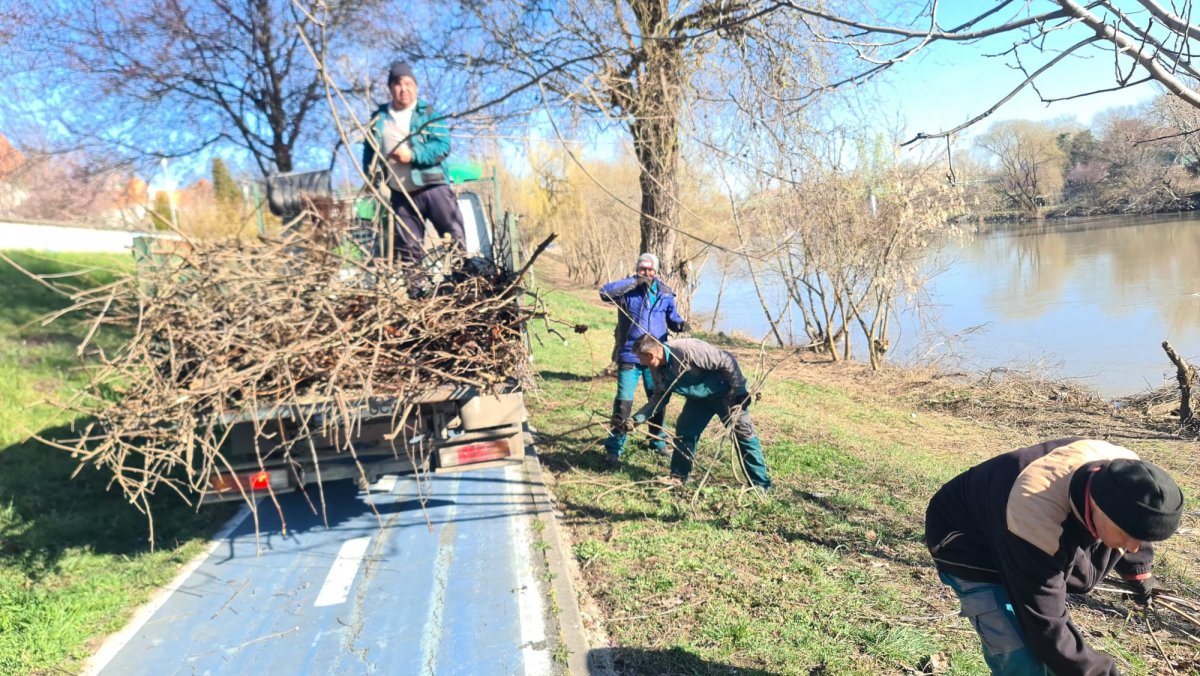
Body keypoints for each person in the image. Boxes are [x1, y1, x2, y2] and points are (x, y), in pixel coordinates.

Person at [925, 437, 1184, 675]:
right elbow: (1045, 626)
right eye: (1128, 536)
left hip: (1023, 528)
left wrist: (1139, 570)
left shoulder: (1130, 475)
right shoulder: (1033, 516)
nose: (1135, 546)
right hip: (970, 540)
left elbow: (1139, 521)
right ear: (1098, 506)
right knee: (1024, 658)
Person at [628, 334, 771, 492]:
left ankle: (760, 485)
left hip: (727, 395)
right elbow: (660, 396)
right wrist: (636, 419)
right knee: (684, 433)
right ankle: (678, 477)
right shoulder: (656, 369)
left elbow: (726, 360)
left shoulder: (688, 349)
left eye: (640, 358)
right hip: (698, 401)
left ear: (651, 355)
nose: (640, 363)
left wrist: (740, 390)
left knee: (744, 435)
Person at [362, 61, 465, 264]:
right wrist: (370, 177)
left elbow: (442, 146)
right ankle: (415, 294)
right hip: (400, 194)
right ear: (391, 87)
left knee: (455, 239)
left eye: (409, 83)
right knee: (408, 252)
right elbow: (369, 153)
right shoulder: (378, 119)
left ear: (416, 87)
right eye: (399, 84)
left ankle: (465, 283)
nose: (404, 89)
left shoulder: (429, 114)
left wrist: (412, 155)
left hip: (433, 186)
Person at [598, 253, 688, 468]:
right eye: (642, 270)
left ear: (656, 271)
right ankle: (614, 448)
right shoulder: (627, 292)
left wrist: (680, 324)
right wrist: (633, 281)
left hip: (655, 358)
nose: (647, 274)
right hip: (630, 354)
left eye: (650, 270)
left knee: (657, 399)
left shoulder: (665, 293)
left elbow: (671, 318)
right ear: (637, 269)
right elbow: (604, 293)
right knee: (623, 401)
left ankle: (657, 442)